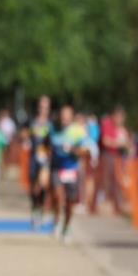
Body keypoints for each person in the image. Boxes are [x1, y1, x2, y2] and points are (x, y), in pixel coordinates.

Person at [48, 104, 89, 244]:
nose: (64, 118)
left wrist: (73, 150)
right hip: (56, 168)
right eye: (62, 115)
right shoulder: (53, 129)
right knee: (58, 197)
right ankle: (57, 219)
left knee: (70, 202)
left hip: (71, 169)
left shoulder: (78, 131)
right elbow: (46, 146)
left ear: (72, 117)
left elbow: (85, 150)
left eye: (67, 115)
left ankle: (67, 227)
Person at [22, 96, 53, 228]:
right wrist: (25, 136)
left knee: (43, 185)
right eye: (41, 107)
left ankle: (40, 211)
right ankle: (35, 210)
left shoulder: (52, 124)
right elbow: (23, 134)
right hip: (34, 159)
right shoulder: (32, 121)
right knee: (34, 188)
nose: (43, 110)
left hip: (46, 159)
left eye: (46, 107)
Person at [94, 106, 129, 215]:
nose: (121, 120)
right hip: (107, 156)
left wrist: (123, 144)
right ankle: (100, 205)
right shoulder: (107, 124)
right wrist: (119, 143)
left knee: (117, 181)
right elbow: (105, 141)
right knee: (105, 181)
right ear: (115, 116)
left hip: (118, 157)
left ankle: (117, 206)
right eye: (119, 117)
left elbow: (127, 142)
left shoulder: (120, 128)